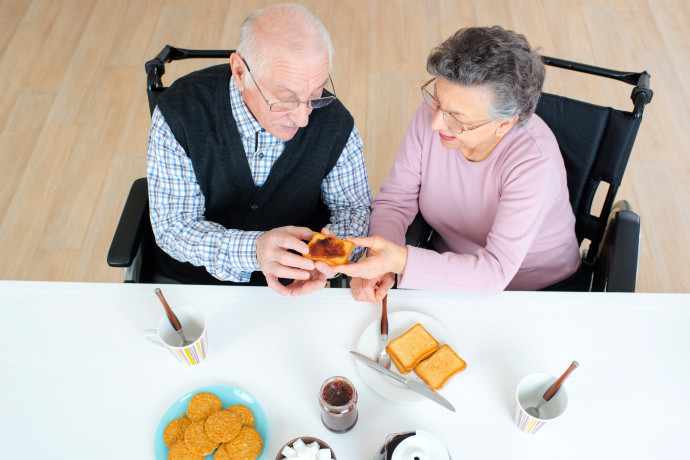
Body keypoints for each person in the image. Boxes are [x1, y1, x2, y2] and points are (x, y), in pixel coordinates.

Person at [336, 26, 581, 303]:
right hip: (444, 270)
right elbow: (395, 200)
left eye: (456, 117)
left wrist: (401, 261)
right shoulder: (436, 117)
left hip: (533, 292)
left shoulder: (534, 162)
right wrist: (380, 260)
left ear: (504, 124)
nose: (435, 123)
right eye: (438, 101)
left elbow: (494, 272)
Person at [147, 4, 371, 295]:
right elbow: (174, 225)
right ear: (240, 72)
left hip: (299, 284)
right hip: (195, 282)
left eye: (315, 95)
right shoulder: (179, 112)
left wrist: (326, 259)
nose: (303, 119)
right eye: (286, 99)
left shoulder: (336, 122)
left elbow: (352, 209)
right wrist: (254, 250)